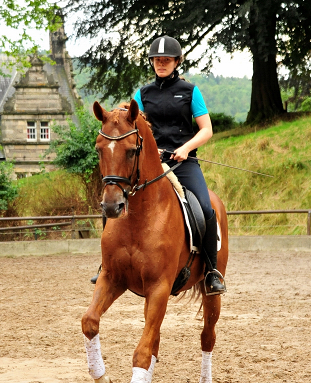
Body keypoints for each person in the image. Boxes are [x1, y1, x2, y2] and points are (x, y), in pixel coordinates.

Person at [92, 35, 226, 295]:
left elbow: (206, 129)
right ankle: (106, 265)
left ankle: (211, 271)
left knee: (206, 208)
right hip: (150, 163)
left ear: (176, 62)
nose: (161, 64)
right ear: (152, 62)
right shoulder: (142, 94)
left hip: (183, 162)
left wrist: (186, 148)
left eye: (166, 60)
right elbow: (127, 122)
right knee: (113, 200)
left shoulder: (190, 92)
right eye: (157, 60)